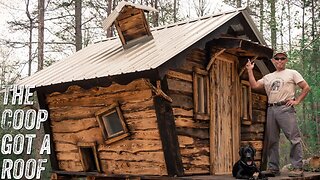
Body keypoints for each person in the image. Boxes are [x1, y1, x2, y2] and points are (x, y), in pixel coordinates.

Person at [245, 52, 310, 177]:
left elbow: (305, 87)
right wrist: (249, 70)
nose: (280, 60)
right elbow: (254, 85)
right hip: (271, 109)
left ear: (286, 60)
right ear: (273, 61)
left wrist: (297, 101)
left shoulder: (292, 73)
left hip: (285, 108)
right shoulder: (268, 77)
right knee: (272, 140)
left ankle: (298, 168)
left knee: (294, 138)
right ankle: (273, 168)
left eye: (282, 58)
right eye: (277, 58)